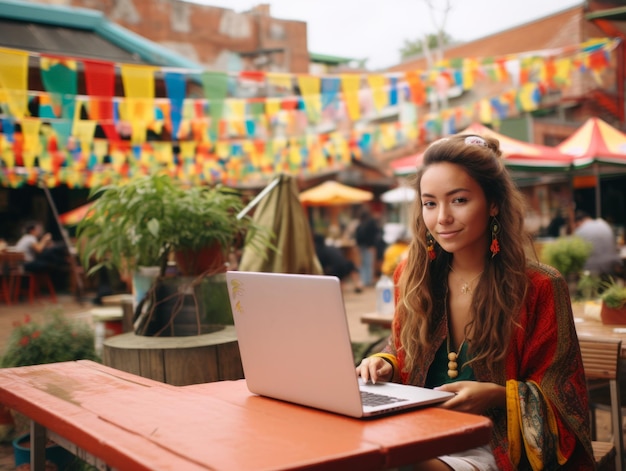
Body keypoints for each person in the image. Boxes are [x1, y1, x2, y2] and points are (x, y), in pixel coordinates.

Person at [356, 134, 593, 470]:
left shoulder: (539, 286)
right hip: (417, 428)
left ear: (493, 203)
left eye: (459, 200)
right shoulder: (411, 276)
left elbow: (566, 397)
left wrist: (498, 396)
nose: (442, 219)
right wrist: (386, 363)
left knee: (392, 462)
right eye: (430, 203)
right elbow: (403, 348)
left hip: (493, 442)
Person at [574, 209, 622, 278]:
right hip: (612, 268)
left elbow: (576, 254)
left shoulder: (580, 230)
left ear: (579, 222)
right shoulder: (604, 223)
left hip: (592, 271)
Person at [354, 207, 380, 287]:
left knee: (363, 264)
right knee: (368, 264)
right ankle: (368, 281)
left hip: (362, 246)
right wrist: (372, 245)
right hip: (369, 246)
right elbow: (375, 234)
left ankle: (365, 281)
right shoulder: (371, 223)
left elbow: (357, 236)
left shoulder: (360, 224)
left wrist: (358, 245)